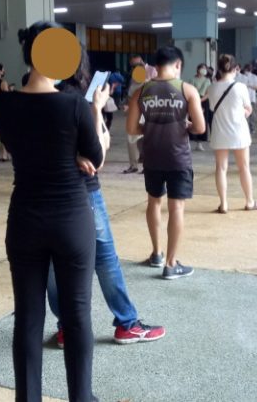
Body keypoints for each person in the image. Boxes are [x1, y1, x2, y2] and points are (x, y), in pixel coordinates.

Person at [0, 21, 104, 402]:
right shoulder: (73, 104)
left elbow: (21, 144)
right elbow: (97, 156)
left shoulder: (4, 103)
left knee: (27, 318)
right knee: (76, 316)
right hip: (71, 217)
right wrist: (90, 125)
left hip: (25, 217)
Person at [45, 41, 165, 350]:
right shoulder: (78, 100)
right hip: (83, 193)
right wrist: (97, 109)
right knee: (105, 258)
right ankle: (126, 323)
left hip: (47, 193)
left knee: (55, 264)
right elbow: (97, 155)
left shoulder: (45, 97)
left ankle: (65, 328)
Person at [127, 46, 206, 279]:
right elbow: (200, 127)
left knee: (153, 203)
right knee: (176, 207)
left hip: (152, 157)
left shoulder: (140, 92)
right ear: (178, 65)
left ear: (155, 66)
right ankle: (171, 264)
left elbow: (131, 128)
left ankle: (156, 253)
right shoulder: (187, 90)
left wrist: (151, 127)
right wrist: (185, 125)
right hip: (178, 158)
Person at [207, 54, 257, 213]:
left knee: (221, 168)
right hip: (239, 132)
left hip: (219, 132)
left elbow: (212, 108)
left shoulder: (212, 87)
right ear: (236, 69)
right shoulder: (240, 87)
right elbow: (248, 109)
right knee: (244, 167)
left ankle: (223, 204)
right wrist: (244, 112)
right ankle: (249, 202)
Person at [123, 55, 153, 174]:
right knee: (132, 140)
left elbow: (144, 100)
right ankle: (133, 165)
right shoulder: (133, 81)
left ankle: (146, 165)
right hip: (132, 114)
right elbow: (129, 96)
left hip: (142, 114)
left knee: (142, 140)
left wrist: (130, 106)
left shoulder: (147, 84)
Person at [190, 63, 211, 150]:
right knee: (193, 120)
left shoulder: (207, 80)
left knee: (203, 120)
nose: (204, 70)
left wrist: (200, 100)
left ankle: (200, 143)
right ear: (198, 69)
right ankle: (191, 140)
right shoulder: (192, 79)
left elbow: (208, 92)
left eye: (205, 68)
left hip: (204, 101)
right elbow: (190, 90)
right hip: (194, 100)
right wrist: (196, 100)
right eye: (202, 68)